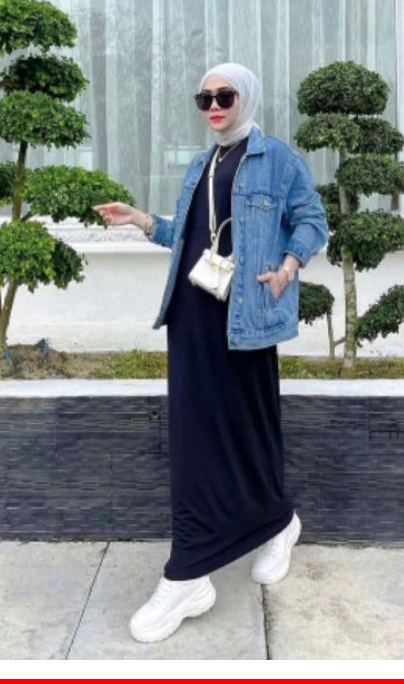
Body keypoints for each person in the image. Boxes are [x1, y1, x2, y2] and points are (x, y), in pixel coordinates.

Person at [94, 62, 328, 643]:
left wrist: (288, 268)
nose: (214, 106)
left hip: (246, 316)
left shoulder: (277, 158)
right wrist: (141, 220)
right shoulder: (202, 163)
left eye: (225, 96)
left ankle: (273, 524)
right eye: (204, 98)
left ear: (246, 97)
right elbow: (190, 235)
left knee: (252, 427)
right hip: (192, 316)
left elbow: (312, 220)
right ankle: (194, 570)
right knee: (195, 438)